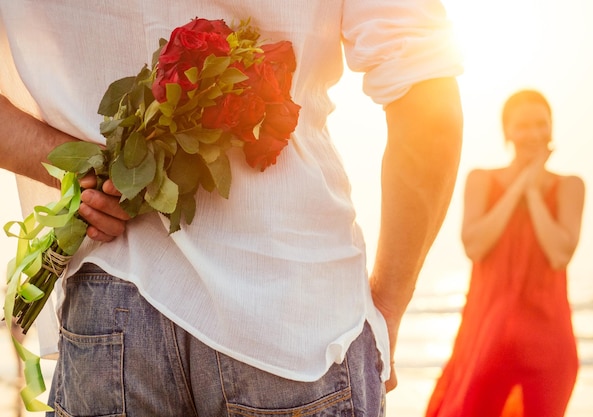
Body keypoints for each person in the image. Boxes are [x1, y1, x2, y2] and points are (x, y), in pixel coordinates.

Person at [0, 1, 463, 415]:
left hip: (111, 304)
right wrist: (388, 306)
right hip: (295, 303)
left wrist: (82, 173)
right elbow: (428, 101)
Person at [425, 89, 585, 417]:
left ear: (552, 128)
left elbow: (559, 254)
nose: (533, 133)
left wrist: (533, 192)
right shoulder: (481, 180)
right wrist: (518, 186)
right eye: (523, 125)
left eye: (541, 124)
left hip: (549, 343)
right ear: (507, 131)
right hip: (486, 337)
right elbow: (475, 245)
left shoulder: (570, 186)